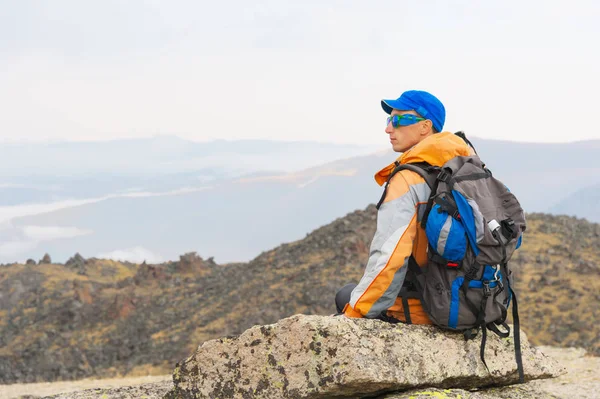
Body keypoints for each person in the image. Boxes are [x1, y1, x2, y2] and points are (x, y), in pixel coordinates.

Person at [335, 90, 474, 324]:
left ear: (425, 126)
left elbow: (389, 258)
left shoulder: (408, 179)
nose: (389, 128)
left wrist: (352, 316)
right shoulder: (467, 171)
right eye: (389, 120)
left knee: (345, 296)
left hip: (424, 310)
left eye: (399, 119)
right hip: (472, 302)